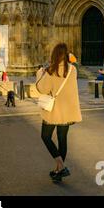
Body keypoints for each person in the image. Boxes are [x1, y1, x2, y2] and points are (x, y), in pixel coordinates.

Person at [36, 43, 82, 183]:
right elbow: (73, 63)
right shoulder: (72, 70)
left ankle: (60, 166)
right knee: (62, 139)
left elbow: (42, 89)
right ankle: (58, 171)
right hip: (67, 111)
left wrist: (40, 73)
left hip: (53, 111)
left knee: (45, 136)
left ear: (54, 55)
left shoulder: (51, 70)